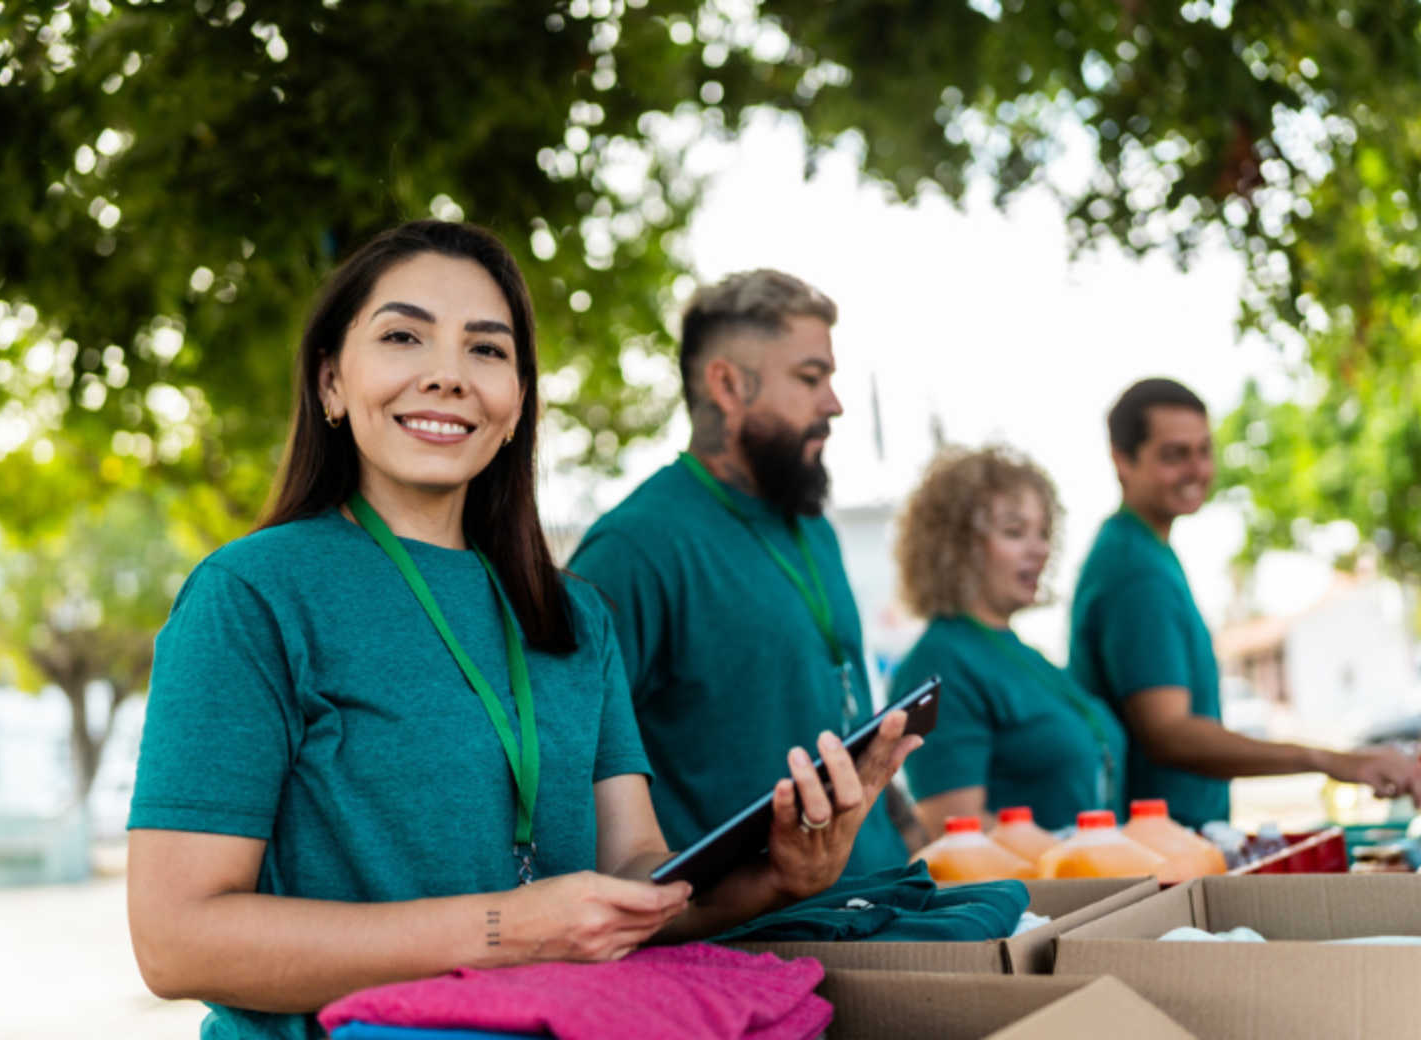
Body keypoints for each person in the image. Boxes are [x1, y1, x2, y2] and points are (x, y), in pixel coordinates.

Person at [125, 222, 921, 1040]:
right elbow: (176, 942)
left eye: (486, 350)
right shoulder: (249, 596)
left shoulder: (578, 616)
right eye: (403, 336)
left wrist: (777, 878)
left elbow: (631, 879)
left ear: (517, 403)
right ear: (330, 381)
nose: (447, 376)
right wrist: (507, 930)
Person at [567, 270, 912, 877]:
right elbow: (573, 773)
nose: (833, 403)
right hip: (753, 942)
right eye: (810, 378)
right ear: (726, 383)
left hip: (882, 898)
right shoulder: (633, 548)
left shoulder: (813, 528)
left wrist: (911, 830)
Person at [1069, 377, 1421, 829]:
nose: (1197, 469)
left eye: (1205, 450)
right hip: (1165, 847)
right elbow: (1168, 734)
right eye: (1175, 454)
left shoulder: (1145, 551)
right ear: (1122, 460)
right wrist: (1331, 759)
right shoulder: (1135, 569)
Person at [888, 446, 1127, 835]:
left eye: (1043, 532)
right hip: (1040, 893)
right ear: (954, 546)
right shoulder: (940, 660)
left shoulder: (1026, 656)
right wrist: (1071, 859)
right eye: (1014, 532)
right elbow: (955, 827)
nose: (1039, 550)